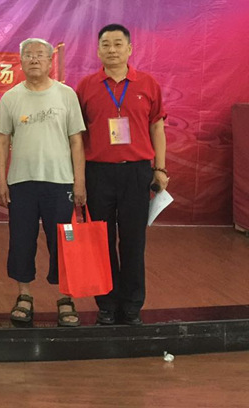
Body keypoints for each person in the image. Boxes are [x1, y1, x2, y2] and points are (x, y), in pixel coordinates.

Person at [76, 23, 168, 326]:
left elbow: (157, 127)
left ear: (129, 49)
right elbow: (77, 136)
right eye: (106, 44)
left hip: (136, 173)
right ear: (97, 50)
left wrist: (160, 168)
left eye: (118, 44)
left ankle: (131, 305)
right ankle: (106, 303)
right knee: (100, 242)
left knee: (133, 241)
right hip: (98, 173)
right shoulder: (86, 86)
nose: (112, 50)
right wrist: (79, 178)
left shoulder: (147, 84)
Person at [0, 38, 86, 327]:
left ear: (50, 61)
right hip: (21, 182)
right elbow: (2, 141)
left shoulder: (66, 95)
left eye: (40, 55)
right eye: (28, 55)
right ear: (21, 61)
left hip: (60, 182)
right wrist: (1, 180)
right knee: (21, 240)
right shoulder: (11, 97)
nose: (34, 59)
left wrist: (79, 182)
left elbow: (76, 141)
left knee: (63, 242)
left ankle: (65, 298)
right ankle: (24, 295)